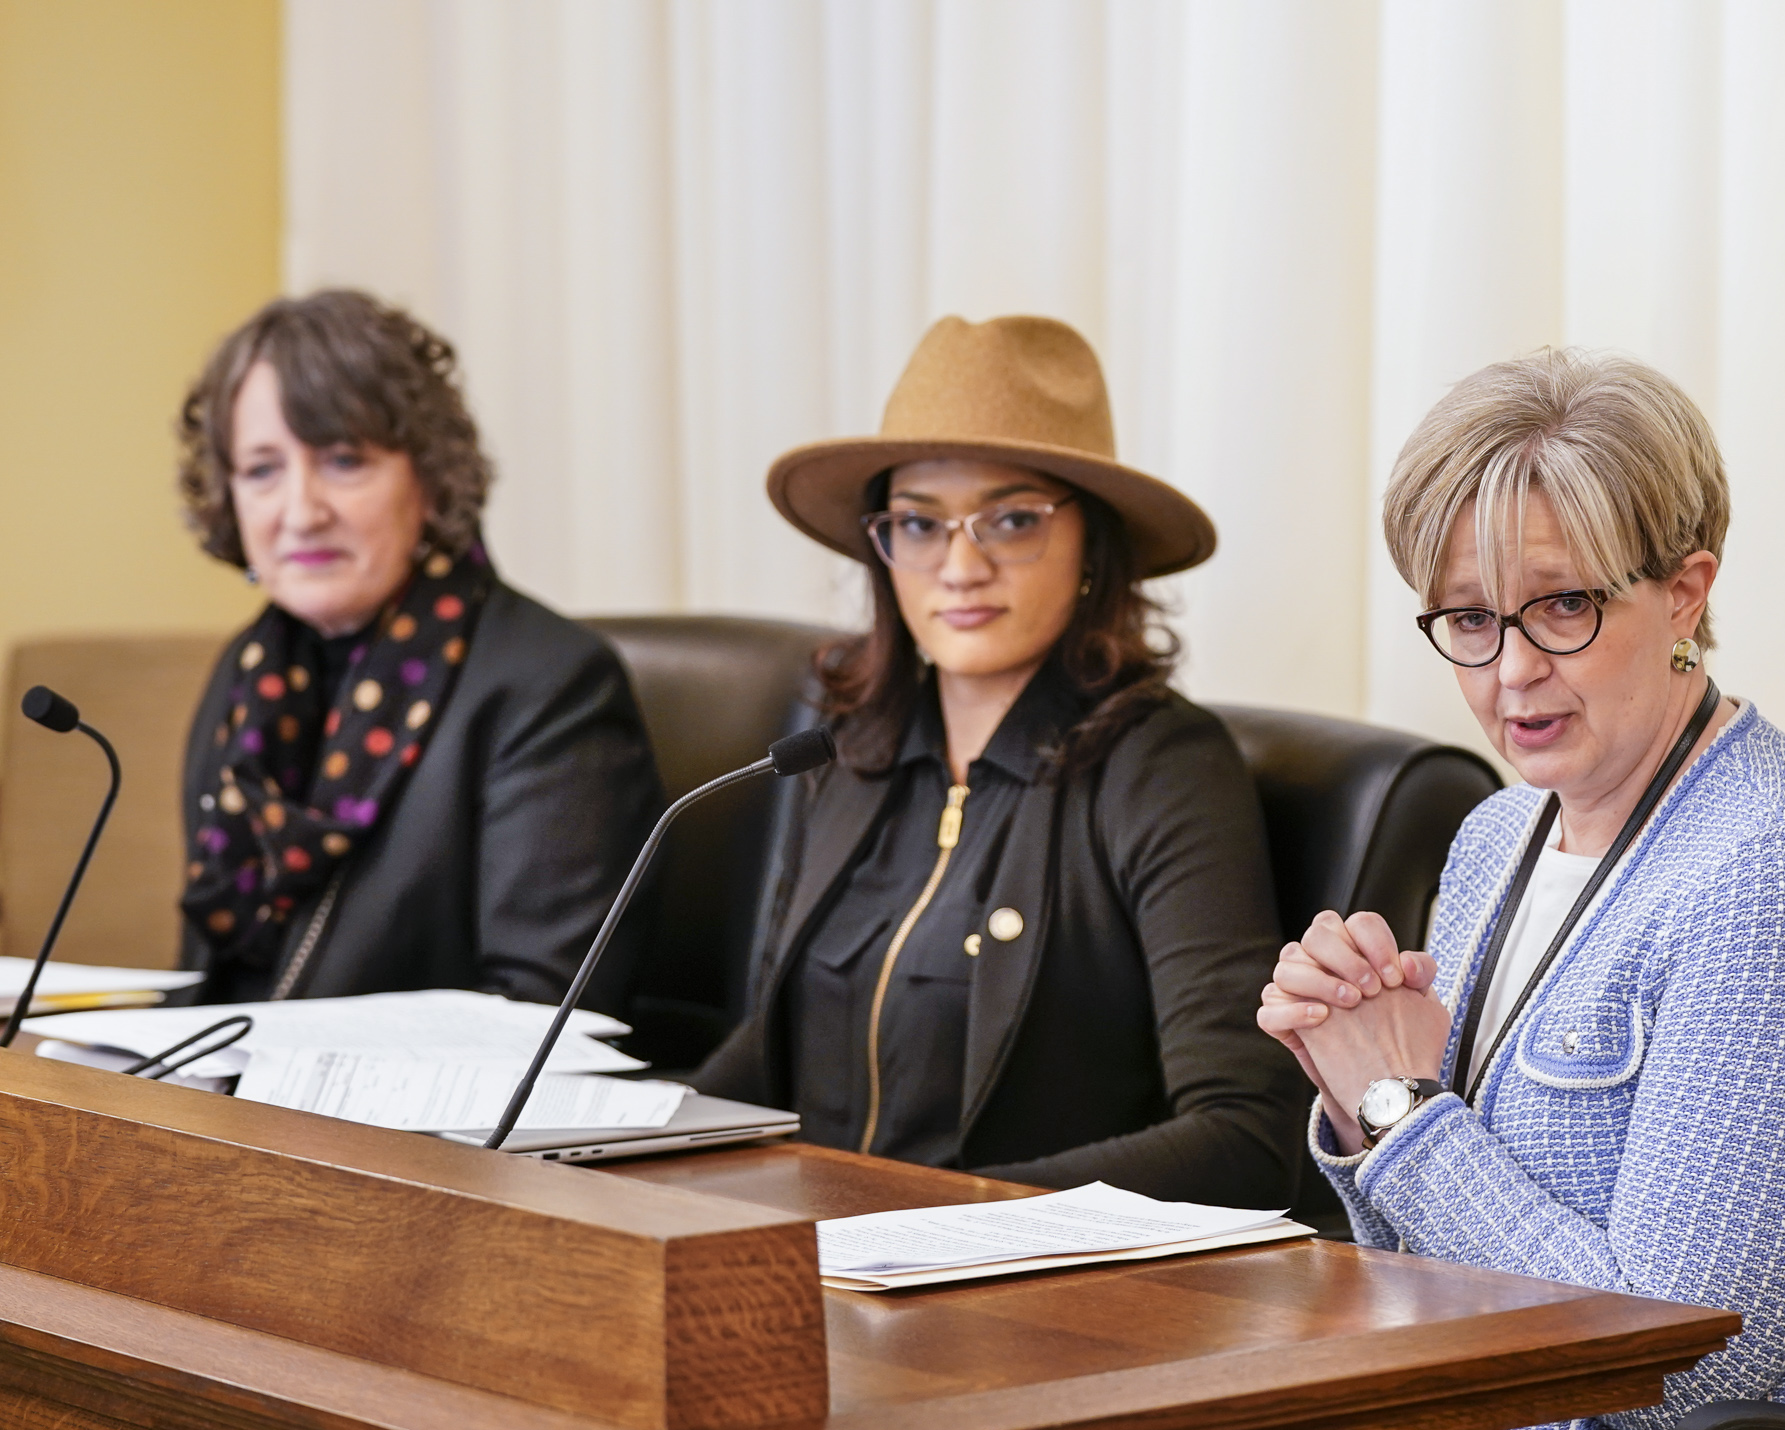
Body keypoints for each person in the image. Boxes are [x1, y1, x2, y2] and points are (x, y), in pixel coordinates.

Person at [1258, 350, 1785, 1430]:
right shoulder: (1502, 833)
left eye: (1562, 607)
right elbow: (1440, 1269)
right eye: (1471, 619)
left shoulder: (1781, 874)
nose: (1511, 675)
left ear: (1686, 591)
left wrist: (1404, 1115)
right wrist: (1357, 1095)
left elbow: (1679, 1362)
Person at [692, 315, 1300, 1207]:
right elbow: (775, 1047)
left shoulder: (1163, 766)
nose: (959, 565)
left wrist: (946, 1219)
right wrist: (615, 1143)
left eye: (1011, 520)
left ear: (1093, 545)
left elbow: (1245, 1139)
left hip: (1016, 1303)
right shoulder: (846, 749)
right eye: (919, 524)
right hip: (806, 1268)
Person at [174, 290, 663, 1009]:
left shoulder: (550, 683)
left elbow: (546, 1013)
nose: (301, 512)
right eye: (261, 470)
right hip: (231, 1108)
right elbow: (208, 977)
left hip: (420, 1121)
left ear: (431, 480)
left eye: (344, 461)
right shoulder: (245, 676)